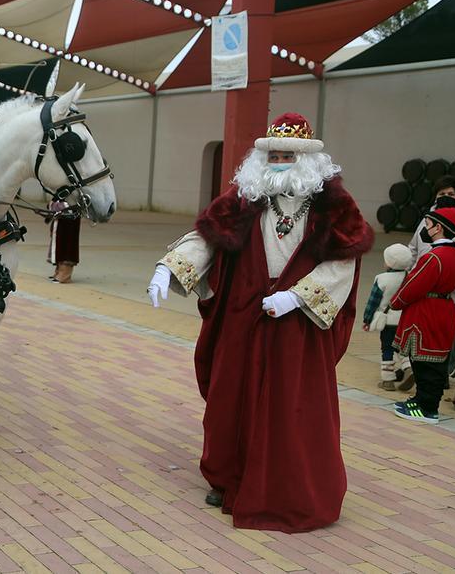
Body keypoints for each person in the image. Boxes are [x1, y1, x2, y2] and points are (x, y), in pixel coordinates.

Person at [147, 113, 372, 532]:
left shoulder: (334, 205)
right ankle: (227, 477)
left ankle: (287, 486)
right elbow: (207, 237)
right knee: (230, 397)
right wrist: (169, 267)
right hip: (242, 315)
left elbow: (344, 262)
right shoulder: (245, 196)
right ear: (262, 156)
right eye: (274, 154)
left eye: (290, 155)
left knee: (293, 404)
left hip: (297, 325)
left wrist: (296, 296)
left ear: (308, 159)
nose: (281, 161)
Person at [389, 207, 455, 424]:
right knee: (435, 361)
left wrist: (396, 301)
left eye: (428, 225)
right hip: (444, 308)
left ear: (439, 228)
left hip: (426, 310)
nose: (425, 229)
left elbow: (413, 285)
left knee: (424, 362)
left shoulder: (434, 257)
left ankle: (426, 408)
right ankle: (421, 400)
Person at [361, 244, 414, 390]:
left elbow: (373, 302)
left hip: (388, 321)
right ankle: (408, 367)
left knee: (387, 349)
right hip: (405, 320)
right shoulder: (409, 277)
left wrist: (367, 319)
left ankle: (388, 380)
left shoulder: (381, 278)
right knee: (403, 347)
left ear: (389, 262)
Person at [48, 214, 80, 283]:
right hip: (62, 209)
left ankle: (65, 273)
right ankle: (59, 269)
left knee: (68, 238)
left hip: (71, 211)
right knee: (58, 237)